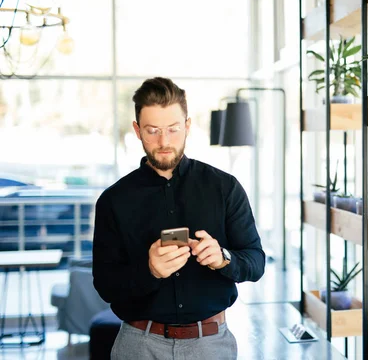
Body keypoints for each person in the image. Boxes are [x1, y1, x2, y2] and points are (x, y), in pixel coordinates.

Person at [92, 77, 265, 359]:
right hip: (138, 345)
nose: (164, 142)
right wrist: (149, 271)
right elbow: (105, 285)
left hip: (210, 345)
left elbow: (256, 262)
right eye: (153, 131)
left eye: (173, 129)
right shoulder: (114, 200)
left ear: (187, 125)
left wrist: (224, 258)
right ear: (137, 130)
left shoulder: (225, 188)